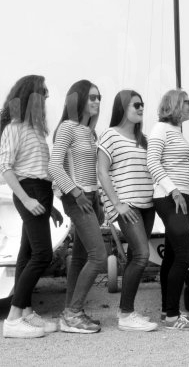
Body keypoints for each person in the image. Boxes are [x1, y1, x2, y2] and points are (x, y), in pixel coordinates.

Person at [0, 75, 63, 339]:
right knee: (42, 255)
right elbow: (6, 168)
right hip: (30, 192)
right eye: (43, 91)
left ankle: (24, 311)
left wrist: (52, 207)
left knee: (26, 254)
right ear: (30, 95)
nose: (47, 95)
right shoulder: (14, 127)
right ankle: (13, 318)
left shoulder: (35, 129)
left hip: (41, 193)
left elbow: (40, 171)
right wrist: (26, 199)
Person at [48, 79, 107, 334]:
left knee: (81, 257)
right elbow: (53, 166)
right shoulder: (67, 128)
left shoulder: (90, 132)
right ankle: (74, 313)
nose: (96, 102)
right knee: (99, 256)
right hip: (76, 198)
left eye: (99, 98)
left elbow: (93, 172)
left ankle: (69, 312)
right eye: (92, 97)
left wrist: (99, 201)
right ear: (79, 100)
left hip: (90, 197)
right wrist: (75, 192)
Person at [97, 90, 158, 332]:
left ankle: (127, 312)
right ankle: (125, 314)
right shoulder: (109, 136)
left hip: (147, 205)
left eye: (143, 104)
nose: (142, 108)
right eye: (136, 104)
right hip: (127, 206)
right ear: (123, 107)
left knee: (135, 257)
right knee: (143, 255)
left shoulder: (144, 139)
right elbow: (102, 172)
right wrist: (118, 205)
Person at [146, 89, 189, 331]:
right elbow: (152, 162)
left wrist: (188, 202)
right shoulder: (160, 129)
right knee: (184, 254)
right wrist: (175, 192)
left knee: (171, 256)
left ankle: (169, 309)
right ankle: (172, 316)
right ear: (176, 104)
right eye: (187, 102)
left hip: (179, 198)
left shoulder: (175, 131)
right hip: (169, 197)